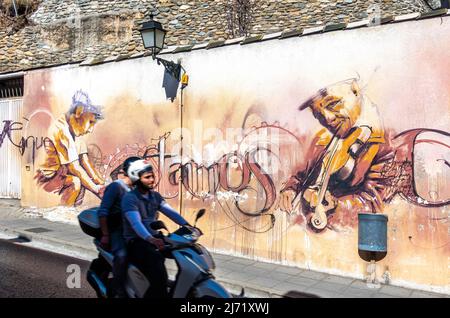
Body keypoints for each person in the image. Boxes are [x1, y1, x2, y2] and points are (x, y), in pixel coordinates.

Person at [280, 79, 392, 230]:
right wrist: (291, 188)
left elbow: (376, 203)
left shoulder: (387, 143)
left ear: (355, 91)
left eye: (333, 104)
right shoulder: (325, 137)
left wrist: (335, 207)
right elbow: (304, 172)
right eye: (318, 114)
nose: (327, 118)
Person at [121, 159, 191, 298]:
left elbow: (171, 212)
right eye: (147, 177)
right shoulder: (130, 199)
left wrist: (188, 226)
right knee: (157, 265)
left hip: (153, 238)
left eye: (152, 176)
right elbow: (136, 224)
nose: (152, 180)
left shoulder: (155, 196)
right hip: (136, 241)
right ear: (136, 178)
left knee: (184, 250)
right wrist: (151, 239)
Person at [35, 90, 105, 206]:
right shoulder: (61, 130)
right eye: (90, 122)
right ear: (78, 112)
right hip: (48, 179)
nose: (90, 129)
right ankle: (64, 212)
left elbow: (85, 162)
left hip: (61, 175)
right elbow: (74, 168)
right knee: (76, 182)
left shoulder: (76, 133)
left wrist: (102, 184)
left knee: (82, 180)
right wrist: (97, 189)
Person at [97, 156, 141, 298]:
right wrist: (105, 235)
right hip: (117, 230)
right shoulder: (116, 187)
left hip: (134, 230)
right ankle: (118, 290)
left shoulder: (137, 189)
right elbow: (103, 212)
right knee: (122, 255)